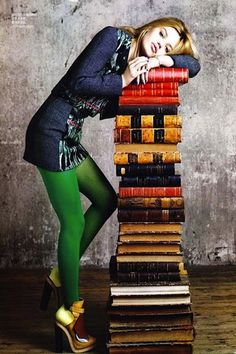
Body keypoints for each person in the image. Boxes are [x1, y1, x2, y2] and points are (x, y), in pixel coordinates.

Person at [23, 16, 200, 353]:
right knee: (72, 222)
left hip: (69, 135)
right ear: (150, 27)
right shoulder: (113, 38)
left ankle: (62, 271)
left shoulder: (149, 59)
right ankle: (69, 314)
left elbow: (193, 66)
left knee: (106, 199)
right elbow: (78, 81)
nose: (159, 44)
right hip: (50, 131)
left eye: (167, 46)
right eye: (160, 35)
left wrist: (166, 61)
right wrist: (125, 78)